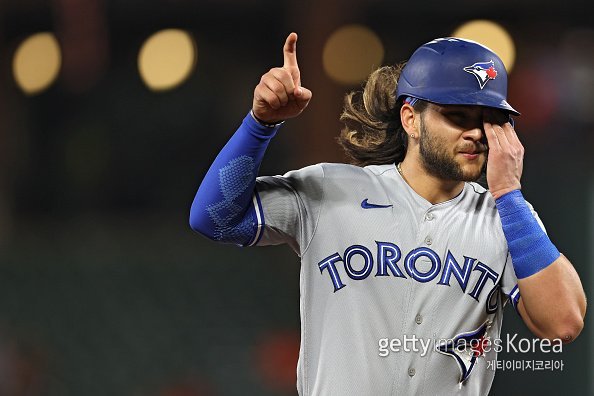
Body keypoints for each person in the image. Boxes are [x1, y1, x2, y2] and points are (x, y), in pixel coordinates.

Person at [189, 33, 586, 395]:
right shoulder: (332, 190)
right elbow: (215, 219)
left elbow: (563, 322)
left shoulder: (507, 217)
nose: (476, 133)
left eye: (489, 119)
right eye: (457, 116)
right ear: (410, 118)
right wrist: (260, 125)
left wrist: (509, 194)